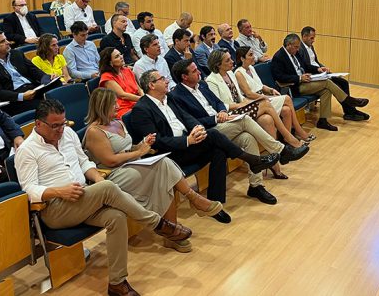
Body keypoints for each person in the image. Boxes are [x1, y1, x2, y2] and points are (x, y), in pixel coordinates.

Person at [15, 99, 191, 296]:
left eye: (63, 123)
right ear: (39, 124)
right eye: (55, 126)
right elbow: (28, 190)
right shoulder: (27, 150)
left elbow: (84, 162)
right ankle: (157, 224)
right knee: (108, 188)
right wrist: (59, 191)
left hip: (82, 198)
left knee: (116, 217)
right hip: (55, 208)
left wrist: (98, 179)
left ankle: (117, 283)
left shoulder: (68, 134)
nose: (60, 130)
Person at [128, 70, 280, 223]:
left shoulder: (169, 98)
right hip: (170, 156)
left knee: (218, 150)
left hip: (189, 144)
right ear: (152, 85)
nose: (167, 80)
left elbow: (187, 117)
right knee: (213, 135)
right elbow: (157, 142)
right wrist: (187, 140)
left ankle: (215, 204)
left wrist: (197, 128)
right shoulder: (141, 109)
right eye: (162, 79)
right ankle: (253, 160)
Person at [83, 88, 223, 252]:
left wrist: (143, 145)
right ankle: (192, 202)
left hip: (131, 165)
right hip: (113, 175)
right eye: (113, 104)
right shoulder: (94, 131)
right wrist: (138, 153)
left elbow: (128, 148)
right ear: (102, 106)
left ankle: (174, 230)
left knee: (164, 168)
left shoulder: (118, 122)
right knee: (163, 170)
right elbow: (110, 160)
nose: (118, 106)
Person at [170, 59, 309, 195]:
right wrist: (215, 118)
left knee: (248, 138)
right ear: (184, 77)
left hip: (223, 122)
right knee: (245, 120)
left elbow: (218, 102)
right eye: (194, 71)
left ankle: (256, 186)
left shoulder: (202, 85)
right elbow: (190, 122)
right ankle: (281, 150)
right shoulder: (176, 96)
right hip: (209, 131)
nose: (199, 72)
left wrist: (222, 111)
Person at [206, 49, 306, 148]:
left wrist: (248, 102)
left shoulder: (230, 73)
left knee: (267, 119)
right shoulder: (212, 80)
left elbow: (241, 97)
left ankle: (276, 152)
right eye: (228, 60)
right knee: (267, 102)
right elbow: (219, 106)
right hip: (231, 114)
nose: (232, 61)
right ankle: (289, 137)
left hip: (242, 107)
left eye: (231, 58)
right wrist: (241, 104)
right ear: (218, 64)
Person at [271, 34, 369, 131]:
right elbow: (280, 77)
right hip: (295, 86)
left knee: (326, 91)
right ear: (288, 45)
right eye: (296, 47)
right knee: (326, 82)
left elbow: (305, 65)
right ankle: (349, 100)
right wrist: (299, 78)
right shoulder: (279, 57)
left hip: (305, 81)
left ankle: (323, 121)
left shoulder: (294, 53)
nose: (297, 49)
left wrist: (318, 69)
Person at [235, 46, 315, 143]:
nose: (254, 57)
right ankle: (299, 131)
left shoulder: (251, 68)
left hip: (262, 97)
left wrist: (271, 90)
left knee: (286, 110)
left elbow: (260, 85)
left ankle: (286, 140)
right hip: (255, 101)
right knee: (287, 98)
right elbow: (249, 94)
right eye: (250, 55)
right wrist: (265, 96)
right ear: (242, 58)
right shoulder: (239, 73)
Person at [298, 26, 369, 121]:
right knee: (336, 85)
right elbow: (305, 66)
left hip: (319, 72)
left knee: (343, 82)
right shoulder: (300, 49)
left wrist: (323, 67)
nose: (313, 40)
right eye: (312, 38)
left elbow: (315, 62)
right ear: (304, 37)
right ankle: (350, 109)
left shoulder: (310, 47)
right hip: (313, 75)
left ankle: (350, 110)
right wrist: (319, 70)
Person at [0, 32, 51, 115]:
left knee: (57, 86)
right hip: (14, 98)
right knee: (45, 107)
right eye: (2, 41)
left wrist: (46, 78)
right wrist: (21, 96)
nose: (8, 42)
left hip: (34, 89)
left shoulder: (16, 53)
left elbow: (34, 70)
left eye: (6, 39)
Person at [99, 47, 143, 119]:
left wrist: (144, 97)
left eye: (120, 54)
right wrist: (143, 100)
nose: (121, 57)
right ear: (110, 62)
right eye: (117, 56)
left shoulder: (127, 70)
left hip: (136, 102)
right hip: (121, 108)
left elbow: (139, 89)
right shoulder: (106, 77)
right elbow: (123, 95)